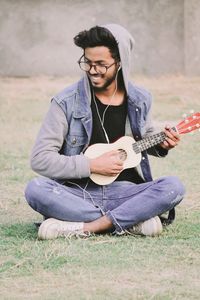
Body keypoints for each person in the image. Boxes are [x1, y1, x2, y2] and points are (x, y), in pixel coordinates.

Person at [25, 24, 185, 240]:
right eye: (87, 62)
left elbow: (144, 136)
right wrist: (90, 165)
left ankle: (85, 226)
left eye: (101, 64)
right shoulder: (65, 102)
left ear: (120, 63)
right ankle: (131, 221)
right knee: (35, 189)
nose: (92, 70)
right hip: (77, 194)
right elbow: (40, 159)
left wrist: (161, 143)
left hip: (127, 193)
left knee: (174, 186)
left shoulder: (140, 99)